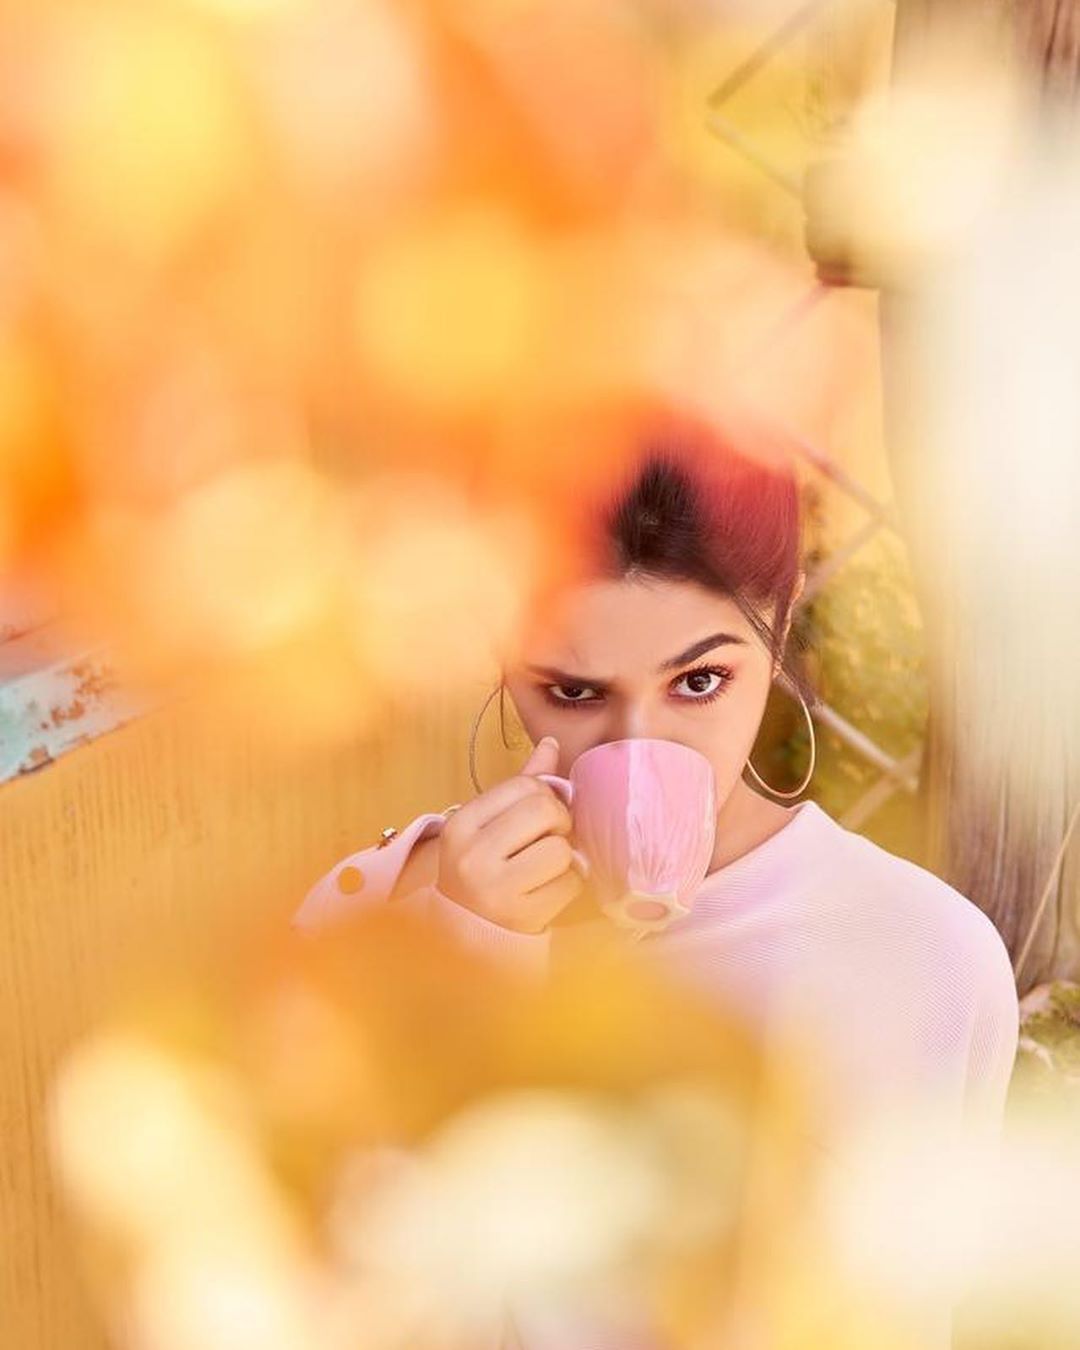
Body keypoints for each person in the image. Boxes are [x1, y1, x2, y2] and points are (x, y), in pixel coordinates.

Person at [294, 405, 1019, 1347]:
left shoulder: (930, 956)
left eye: (699, 682)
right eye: (574, 692)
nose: (640, 748)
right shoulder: (372, 926)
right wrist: (467, 964)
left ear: (782, 623)